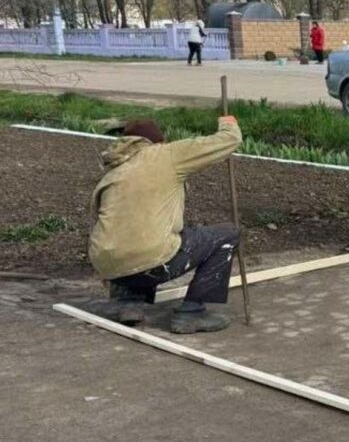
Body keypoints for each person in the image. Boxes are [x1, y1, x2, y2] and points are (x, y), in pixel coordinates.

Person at [89, 116, 243, 333]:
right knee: (227, 235)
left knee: (135, 238)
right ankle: (192, 313)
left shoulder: (115, 170)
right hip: (150, 262)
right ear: (158, 141)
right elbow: (228, 141)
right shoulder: (166, 155)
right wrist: (228, 122)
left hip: (108, 263)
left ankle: (129, 303)